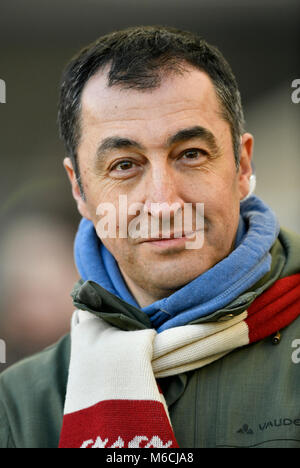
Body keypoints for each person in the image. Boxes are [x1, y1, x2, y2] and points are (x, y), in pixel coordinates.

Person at [0, 25, 299, 449]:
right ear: (79, 189)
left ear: (243, 165)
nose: (163, 203)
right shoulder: (18, 406)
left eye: (191, 154)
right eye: (125, 164)